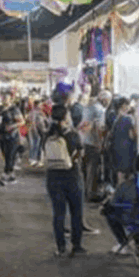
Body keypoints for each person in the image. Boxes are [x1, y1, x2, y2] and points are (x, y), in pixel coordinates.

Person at [42, 105, 85, 257]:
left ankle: (60, 247)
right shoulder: (72, 134)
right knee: (76, 212)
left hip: (53, 177)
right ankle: (76, 245)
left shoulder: (47, 134)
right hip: (72, 176)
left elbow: (44, 153)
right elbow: (80, 154)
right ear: (66, 117)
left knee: (58, 214)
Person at [103, 153, 139, 256]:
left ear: (135, 167)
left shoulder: (125, 185)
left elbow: (113, 204)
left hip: (130, 219)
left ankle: (123, 243)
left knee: (109, 211)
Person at [81, 92, 111, 202]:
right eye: (108, 100)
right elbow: (99, 128)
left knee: (86, 168)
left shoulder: (87, 108)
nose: (108, 103)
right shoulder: (100, 110)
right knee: (93, 170)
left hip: (85, 141)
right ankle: (91, 194)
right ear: (104, 99)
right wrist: (100, 143)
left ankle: (86, 191)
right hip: (93, 143)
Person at [0, 95, 25, 186]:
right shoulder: (0, 109)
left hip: (12, 136)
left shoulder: (14, 109)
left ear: (11, 100)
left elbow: (22, 121)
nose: (5, 100)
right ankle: (11, 176)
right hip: (2, 136)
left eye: (7, 99)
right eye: (4, 98)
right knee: (6, 155)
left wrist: (12, 126)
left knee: (10, 155)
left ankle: (5, 176)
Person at [110, 97, 137, 183]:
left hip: (117, 149)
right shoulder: (129, 119)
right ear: (124, 106)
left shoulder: (115, 119)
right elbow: (132, 135)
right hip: (127, 150)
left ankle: (119, 194)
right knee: (128, 177)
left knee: (120, 177)